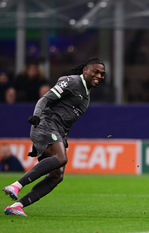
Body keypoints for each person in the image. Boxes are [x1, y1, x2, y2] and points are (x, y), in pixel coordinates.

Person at [3, 57, 105, 217]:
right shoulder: (71, 81)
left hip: (57, 131)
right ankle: (16, 185)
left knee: (57, 175)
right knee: (61, 158)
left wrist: (63, 140)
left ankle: (17, 206)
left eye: (102, 74)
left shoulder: (86, 94)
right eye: (96, 72)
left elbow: (67, 120)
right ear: (85, 70)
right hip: (46, 124)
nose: (99, 76)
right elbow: (45, 98)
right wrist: (36, 115)